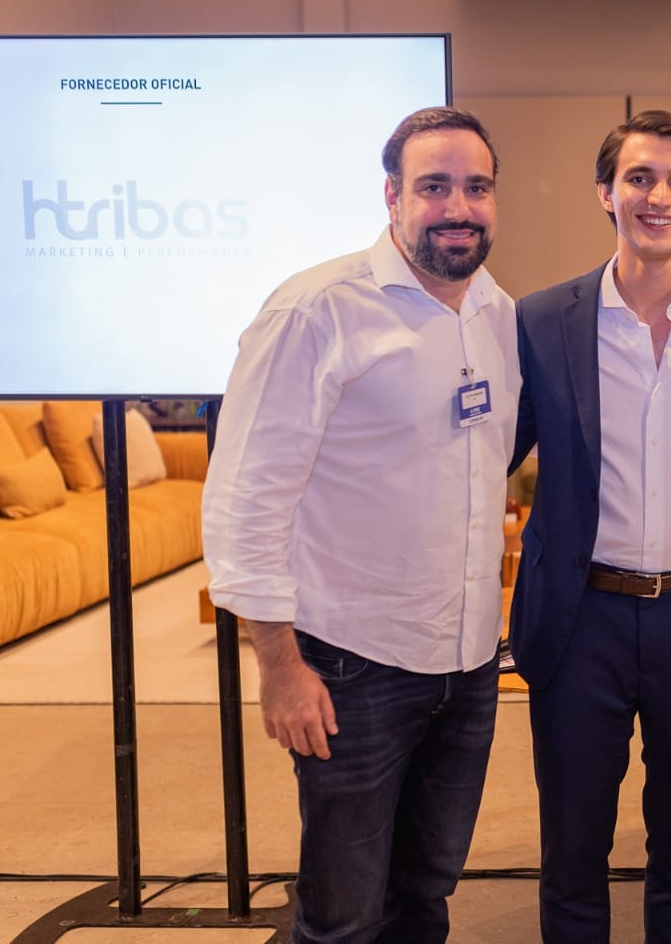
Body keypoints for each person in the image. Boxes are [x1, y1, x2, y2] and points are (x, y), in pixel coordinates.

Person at [202, 106, 519, 943]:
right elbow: (246, 495)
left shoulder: (496, 313)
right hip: (351, 667)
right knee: (342, 910)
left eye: (476, 187)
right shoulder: (315, 311)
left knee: (427, 893)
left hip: (469, 662)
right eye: (434, 186)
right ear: (392, 197)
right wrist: (277, 663)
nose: (459, 205)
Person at [509, 110, 671, 943]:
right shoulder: (541, 320)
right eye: (639, 178)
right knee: (573, 852)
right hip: (576, 618)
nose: (658, 196)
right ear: (606, 192)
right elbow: (479, 456)